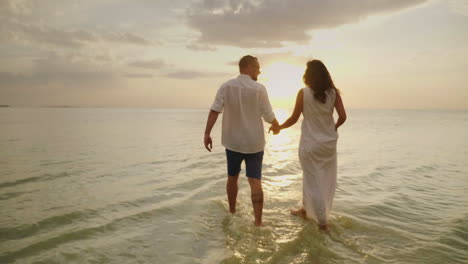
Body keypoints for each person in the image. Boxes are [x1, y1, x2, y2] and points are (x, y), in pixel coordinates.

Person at [204, 55, 280, 227]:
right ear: (248, 67)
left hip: (233, 142)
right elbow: (267, 114)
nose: (259, 71)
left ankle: (232, 212)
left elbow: (214, 111)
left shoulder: (226, 86)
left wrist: (207, 133)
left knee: (232, 177)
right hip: (254, 143)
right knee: (255, 181)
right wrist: (276, 126)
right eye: (257, 67)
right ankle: (258, 223)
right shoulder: (259, 89)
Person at [273, 60, 346, 231]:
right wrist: (333, 128)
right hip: (328, 144)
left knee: (313, 182)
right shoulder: (334, 93)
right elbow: (343, 116)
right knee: (321, 179)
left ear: (308, 75)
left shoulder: (303, 93)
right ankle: (305, 210)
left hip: (310, 143)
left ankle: (323, 224)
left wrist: (279, 127)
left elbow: (293, 118)